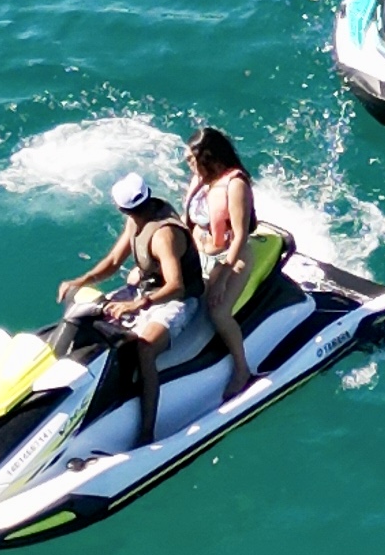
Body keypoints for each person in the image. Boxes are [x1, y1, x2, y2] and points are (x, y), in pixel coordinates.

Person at [51, 173, 207, 449]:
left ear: (122, 207)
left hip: (176, 300)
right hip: (144, 290)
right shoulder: (136, 220)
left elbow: (176, 287)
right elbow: (113, 260)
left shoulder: (163, 236)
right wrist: (81, 281)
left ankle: (148, 430)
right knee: (92, 317)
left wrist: (138, 304)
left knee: (144, 349)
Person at [182, 125, 281, 406]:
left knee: (217, 311)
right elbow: (186, 218)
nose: (188, 164)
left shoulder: (235, 184)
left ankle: (242, 369)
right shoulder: (201, 180)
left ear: (209, 157)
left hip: (230, 257)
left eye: (192, 159)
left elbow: (238, 235)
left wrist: (223, 275)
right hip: (197, 252)